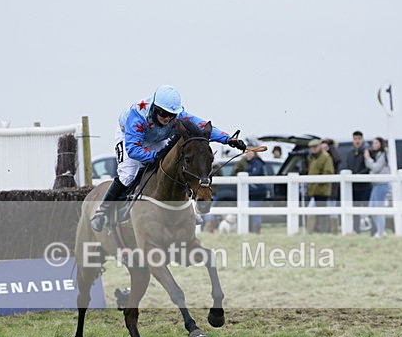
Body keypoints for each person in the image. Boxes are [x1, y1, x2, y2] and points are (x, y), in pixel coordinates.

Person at [90, 85, 246, 232]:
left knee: (171, 166)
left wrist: (228, 139)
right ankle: (102, 212)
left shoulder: (179, 115)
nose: (167, 118)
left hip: (157, 138)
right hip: (131, 138)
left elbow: (202, 126)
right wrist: (154, 156)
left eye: (171, 115)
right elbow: (133, 150)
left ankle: (186, 209)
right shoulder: (137, 116)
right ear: (155, 109)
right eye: (163, 114)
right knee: (128, 174)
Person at [234, 148, 273, 233]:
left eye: (250, 153)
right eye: (247, 153)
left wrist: (245, 174)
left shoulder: (257, 163)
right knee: (252, 210)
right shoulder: (249, 163)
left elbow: (255, 174)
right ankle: (253, 230)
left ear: (254, 154)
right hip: (253, 191)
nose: (248, 154)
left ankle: (256, 231)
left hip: (257, 191)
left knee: (255, 211)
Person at [305, 138, 334, 233]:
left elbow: (328, 173)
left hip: (322, 189)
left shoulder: (326, 157)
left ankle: (324, 229)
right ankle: (317, 229)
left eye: (315, 147)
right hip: (313, 189)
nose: (313, 149)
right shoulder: (311, 158)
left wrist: (318, 183)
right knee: (315, 210)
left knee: (322, 210)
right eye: (311, 148)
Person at [344, 131, 371, 233]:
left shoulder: (366, 151)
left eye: (359, 139)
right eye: (355, 139)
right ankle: (356, 229)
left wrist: (359, 175)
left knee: (366, 208)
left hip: (364, 186)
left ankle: (369, 228)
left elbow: (368, 168)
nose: (357, 141)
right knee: (354, 210)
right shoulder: (350, 153)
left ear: (362, 139)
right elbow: (348, 166)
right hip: (354, 187)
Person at [364, 137, 390, 237]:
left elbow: (376, 167)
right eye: (373, 143)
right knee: (372, 209)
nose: (374, 145)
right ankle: (380, 230)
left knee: (378, 209)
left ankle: (381, 232)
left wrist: (368, 158)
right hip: (376, 185)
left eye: (376, 143)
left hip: (382, 184)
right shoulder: (377, 155)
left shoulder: (384, 154)